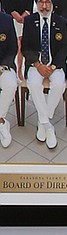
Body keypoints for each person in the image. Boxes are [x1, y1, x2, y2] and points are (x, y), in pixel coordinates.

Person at [21, 0, 67, 148]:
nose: (44, 6)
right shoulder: (29, 21)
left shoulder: (61, 22)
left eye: (47, 2)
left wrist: (54, 66)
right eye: (41, 2)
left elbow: (65, 48)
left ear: (52, 4)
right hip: (36, 64)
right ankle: (47, 125)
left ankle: (43, 121)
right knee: (34, 84)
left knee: (59, 84)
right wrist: (37, 64)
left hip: (55, 65)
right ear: (36, 4)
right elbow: (25, 47)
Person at [0, 9, 17, 148]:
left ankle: (1, 121)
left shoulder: (6, 20)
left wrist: (3, 66)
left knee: (10, 83)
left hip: (3, 67)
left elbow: (13, 48)